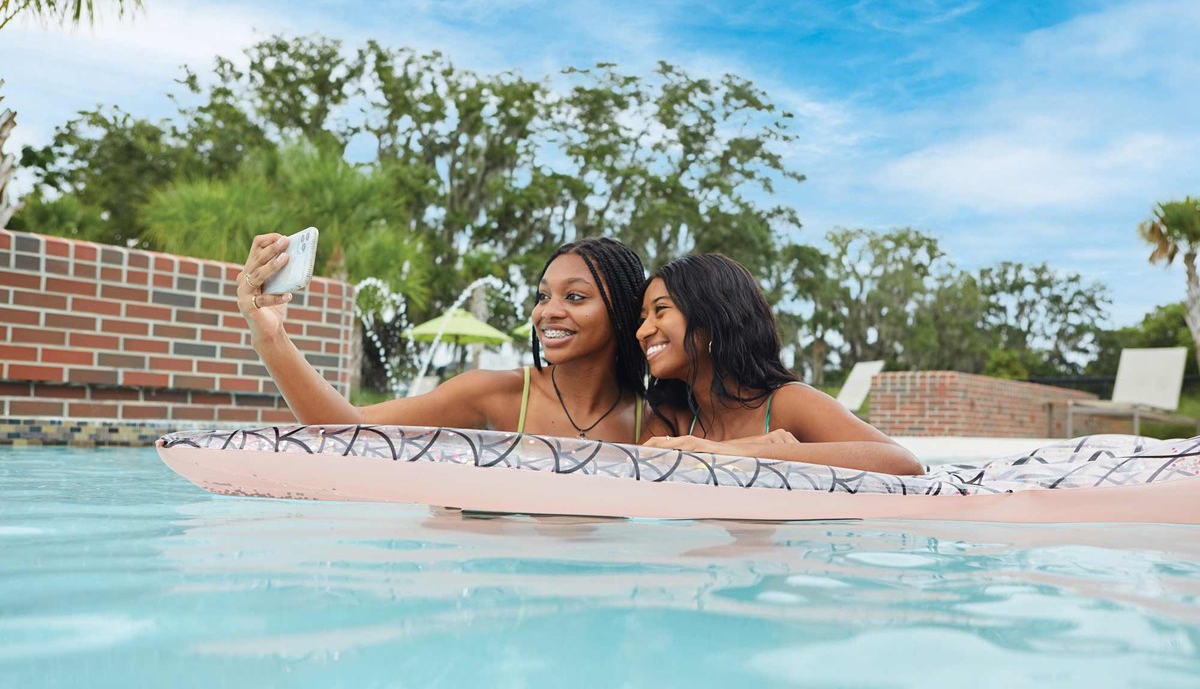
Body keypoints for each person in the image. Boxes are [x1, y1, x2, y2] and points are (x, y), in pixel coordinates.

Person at [238, 234, 648, 441]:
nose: (548, 311)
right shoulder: (498, 395)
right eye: (543, 296)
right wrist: (270, 336)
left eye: (574, 297)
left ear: (625, 311)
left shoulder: (656, 421)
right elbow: (349, 426)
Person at [635, 253, 922, 475]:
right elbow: (634, 481)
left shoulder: (787, 403)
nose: (642, 332)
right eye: (643, 318)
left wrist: (735, 452)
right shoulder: (674, 417)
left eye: (661, 310)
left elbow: (904, 463)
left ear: (712, 319)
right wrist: (740, 447)